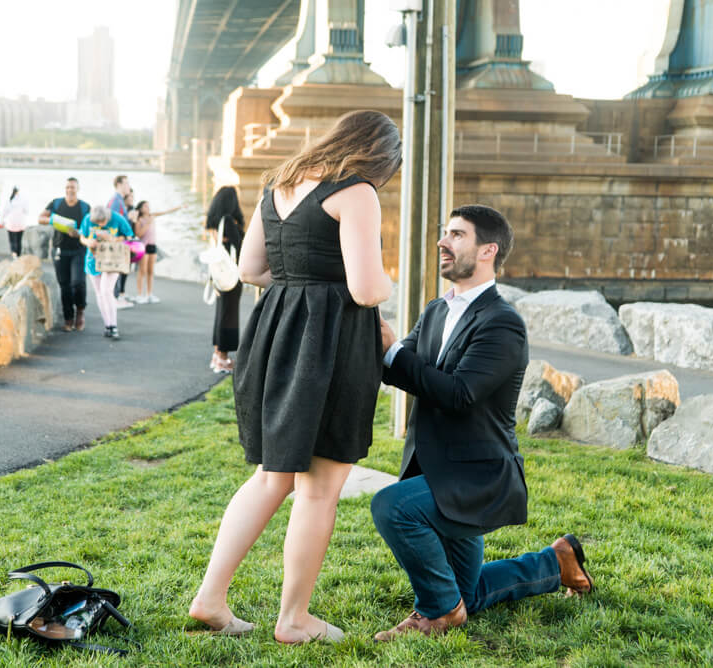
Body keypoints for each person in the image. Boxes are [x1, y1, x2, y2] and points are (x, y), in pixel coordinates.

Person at [188, 110, 400, 644]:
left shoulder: (279, 183)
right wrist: (388, 290)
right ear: (380, 155)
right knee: (319, 489)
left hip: (274, 334)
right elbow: (367, 289)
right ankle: (295, 619)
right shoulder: (358, 192)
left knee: (270, 476)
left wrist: (299, 281)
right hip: (330, 343)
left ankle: (211, 597)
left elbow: (251, 270)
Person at [369, 205, 594, 643]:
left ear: (488, 250)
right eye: (445, 233)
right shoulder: (437, 310)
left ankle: (437, 612)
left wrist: (395, 352)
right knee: (467, 593)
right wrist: (373, 341)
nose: (442, 242)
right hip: (437, 470)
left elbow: (459, 394)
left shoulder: (502, 324)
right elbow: (399, 367)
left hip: (478, 478)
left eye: (456, 235)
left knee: (391, 506)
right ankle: (557, 563)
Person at [38, 177, 91, 331]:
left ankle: (80, 311)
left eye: (73, 187)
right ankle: (68, 318)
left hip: (79, 250)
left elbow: (91, 228)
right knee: (65, 286)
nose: (70, 190)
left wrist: (79, 233)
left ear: (77, 189)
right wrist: (55, 221)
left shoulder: (85, 207)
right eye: (67, 187)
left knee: (78, 282)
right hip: (60, 249)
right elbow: (40, 218)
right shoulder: (56, 203)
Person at [203, 188, 245, 371]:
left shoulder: (214, 221)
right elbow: (239, 245)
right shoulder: (228, 221)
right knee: (229, 314)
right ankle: (222, 358)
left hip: (218, 273)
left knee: (221, 313)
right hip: (229, 274)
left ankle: (217, 356)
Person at [78, 204, 134, 340]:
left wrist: (112, 238)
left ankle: (114, 326)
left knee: (106, 290)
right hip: (93, 260)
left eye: (102, 222)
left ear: (108, 217)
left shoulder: (117, 219)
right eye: (96, 223)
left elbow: (129, 237)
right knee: (99, 293)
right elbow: (82, 237)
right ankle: (107, 325)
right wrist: (88, 242)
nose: (100, 225)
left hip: (112, 260)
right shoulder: (87, 219)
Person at [133, 199, 181, 305]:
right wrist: (147, 224)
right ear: (140, 208)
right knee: (142, 271)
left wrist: (179, 207)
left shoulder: (152, 216)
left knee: (150, 271)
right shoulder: (139, 220)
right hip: (143, 246)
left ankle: (149, 294)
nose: (148, 208)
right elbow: (139, 234)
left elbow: (166, 212)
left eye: (148, 206)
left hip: (152, 246)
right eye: (145, 206)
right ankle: (140, 294)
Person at [107, 176, 133, 309]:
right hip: (116, 243)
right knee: (114, 273)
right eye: (126, 183)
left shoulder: (119, 201)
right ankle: (114, 300)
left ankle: (116, 298)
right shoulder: (116, 201)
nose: (129, 186)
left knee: (117, 272)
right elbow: (111, 223)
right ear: (119, 184)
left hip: (120, 242)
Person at [0, 187, 29, 258]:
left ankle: (14, 254)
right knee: (19, 241)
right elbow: (26, 211)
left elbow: (4, 212)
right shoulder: (23, 200)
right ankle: (18, 255)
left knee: (12, 240)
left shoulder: (9, 200)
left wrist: (1, 221)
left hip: (11, 224)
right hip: (20, 224)